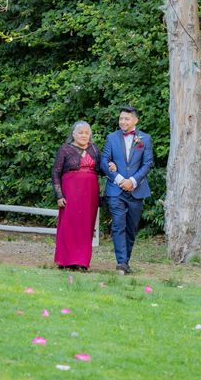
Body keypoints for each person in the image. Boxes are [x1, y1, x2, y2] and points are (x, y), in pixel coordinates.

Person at [100, 106, 153, 274]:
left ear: (135, 120)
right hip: (116, 190)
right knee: (118, 225)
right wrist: (119, 179)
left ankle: (126, 261)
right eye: (121, 118)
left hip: (136, 190)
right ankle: (121, 263)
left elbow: (147, 164)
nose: (123, 121)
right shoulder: (111, 138)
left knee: (131, 227)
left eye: (127, 119)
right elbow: (104, 161)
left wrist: (132, 181)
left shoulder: (145, 138)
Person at [51, 121, 100, 271]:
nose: (84, 135)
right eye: (80, 132)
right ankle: (66, 261)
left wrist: (112, 166)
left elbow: (101, 169)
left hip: (90, 193)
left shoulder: (94, 149)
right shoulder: (65, 149)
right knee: (69, 224)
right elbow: (55, 172)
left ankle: (82, 261)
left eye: (86, 133)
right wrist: (59, 195)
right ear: (73, 134)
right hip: (70, 192)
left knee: (86, 226)